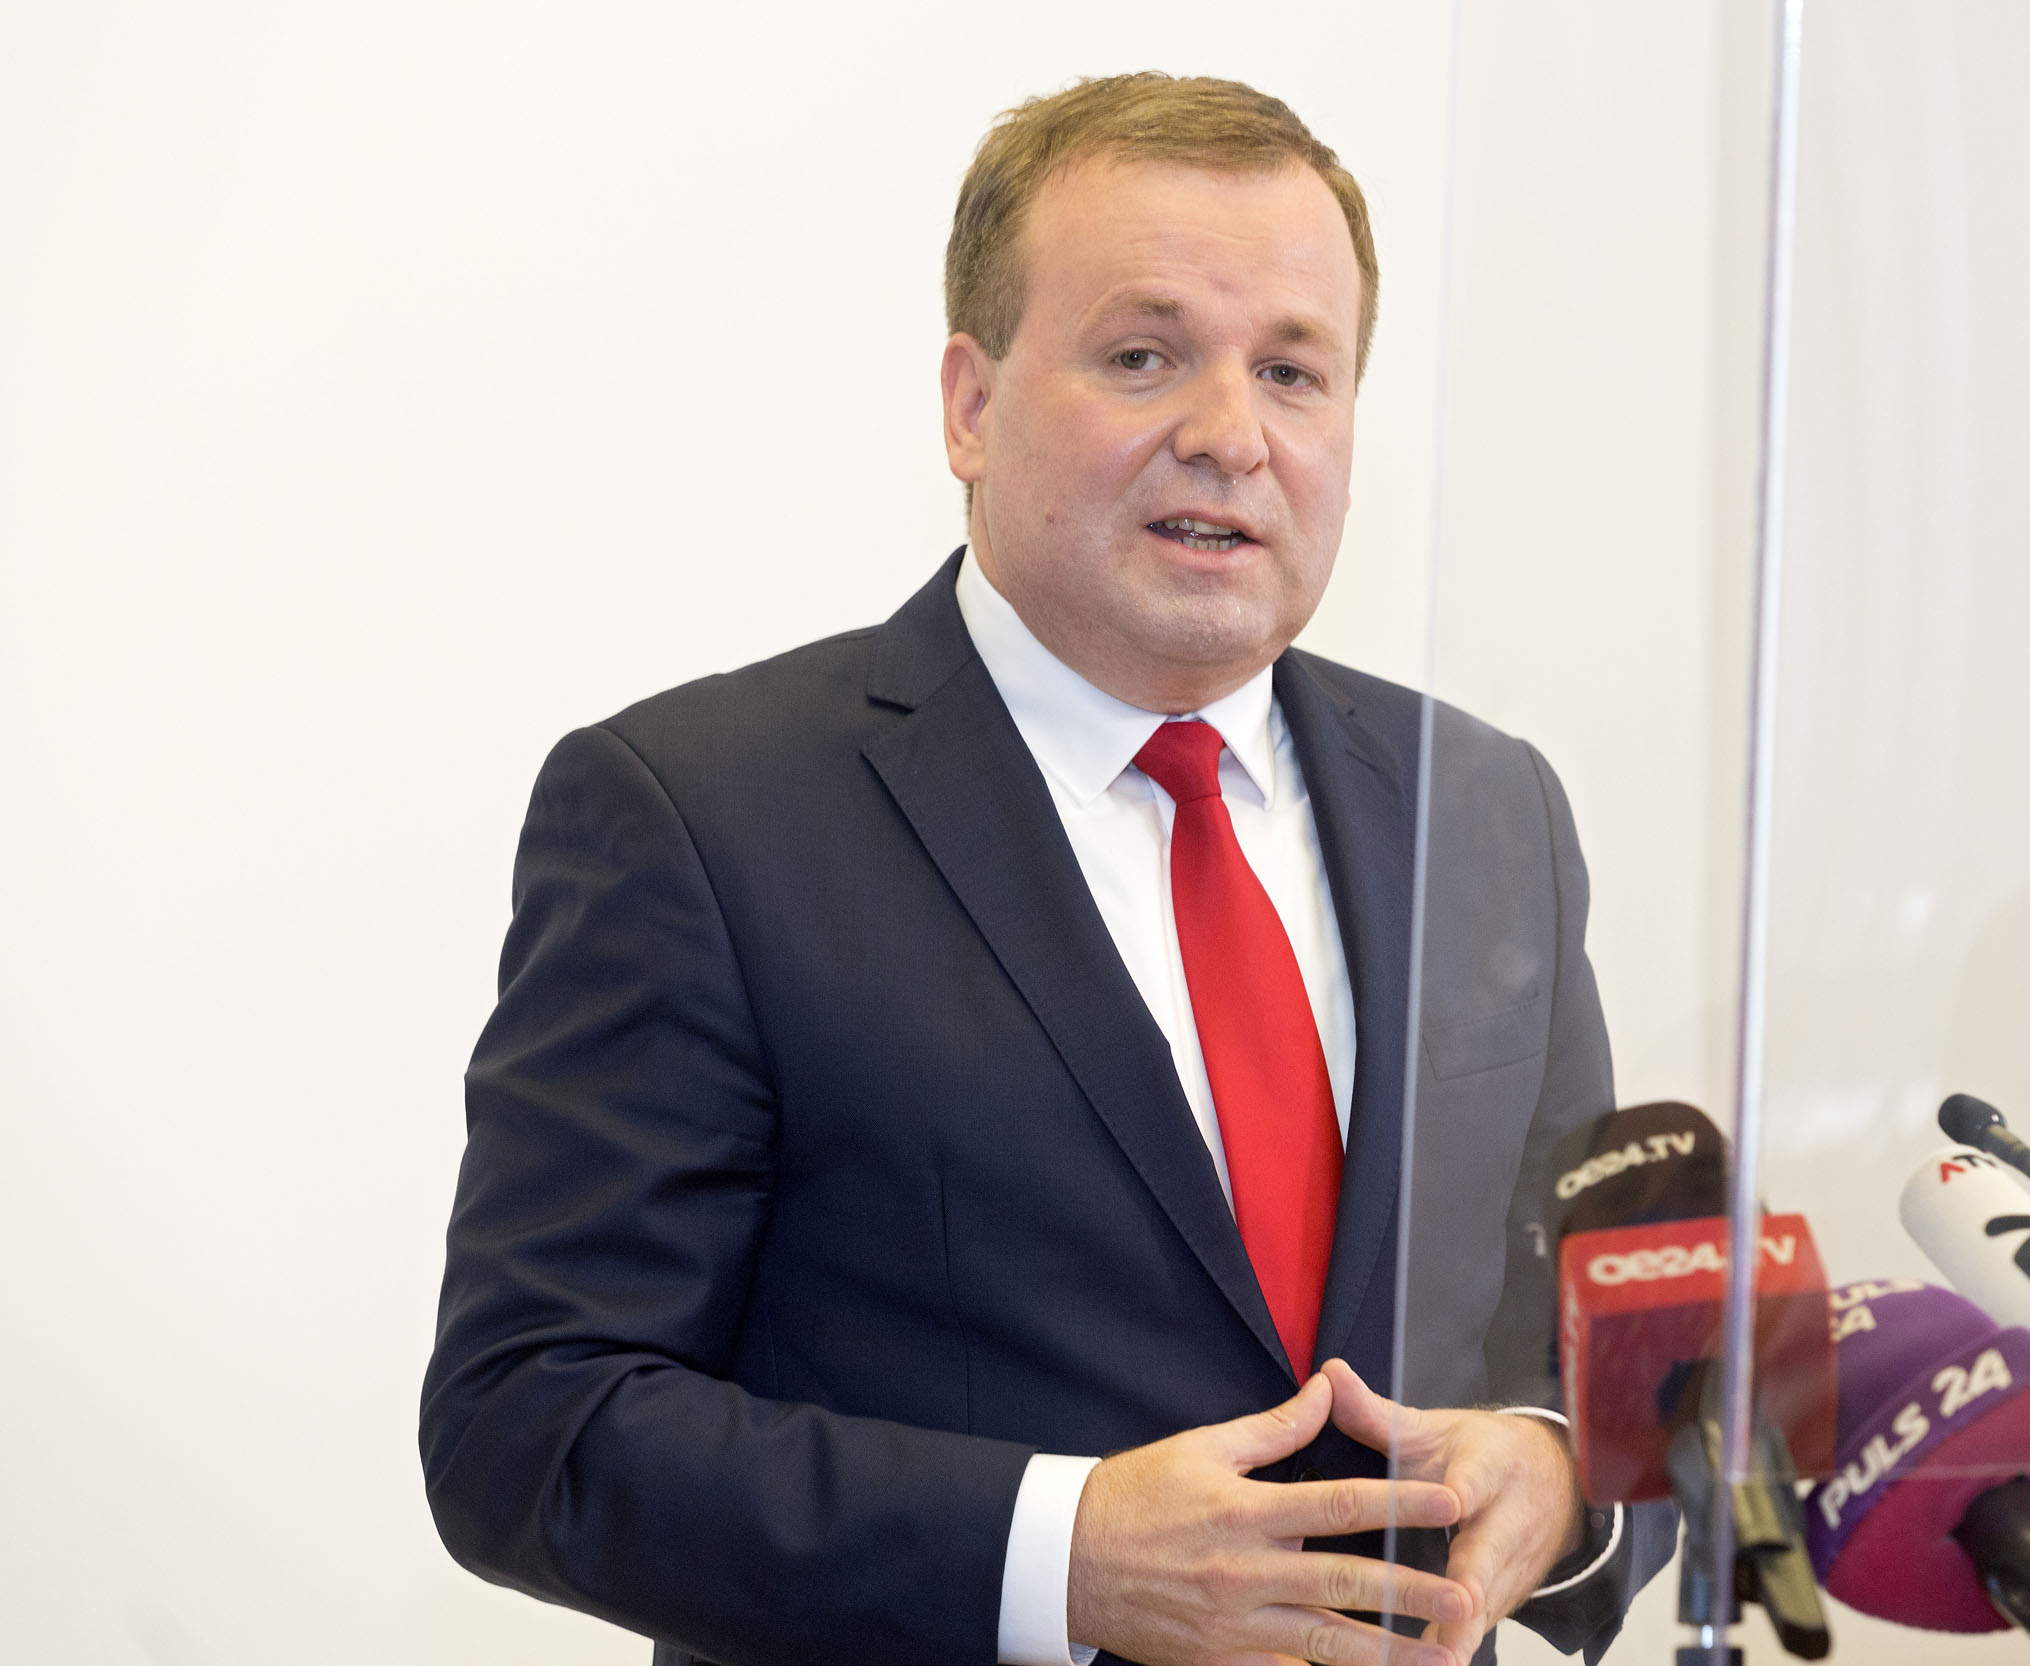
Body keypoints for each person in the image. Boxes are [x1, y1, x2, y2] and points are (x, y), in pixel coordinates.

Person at [421, 73, 1672, 1666]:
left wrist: (1560, 1471)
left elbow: (1613, 1332)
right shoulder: (699, 813)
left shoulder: (1487, 805)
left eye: (1293, 372)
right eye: (1145, 355)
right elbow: (529, 1422)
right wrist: (1056, 1554)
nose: (1230, 436)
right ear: (971, 402)